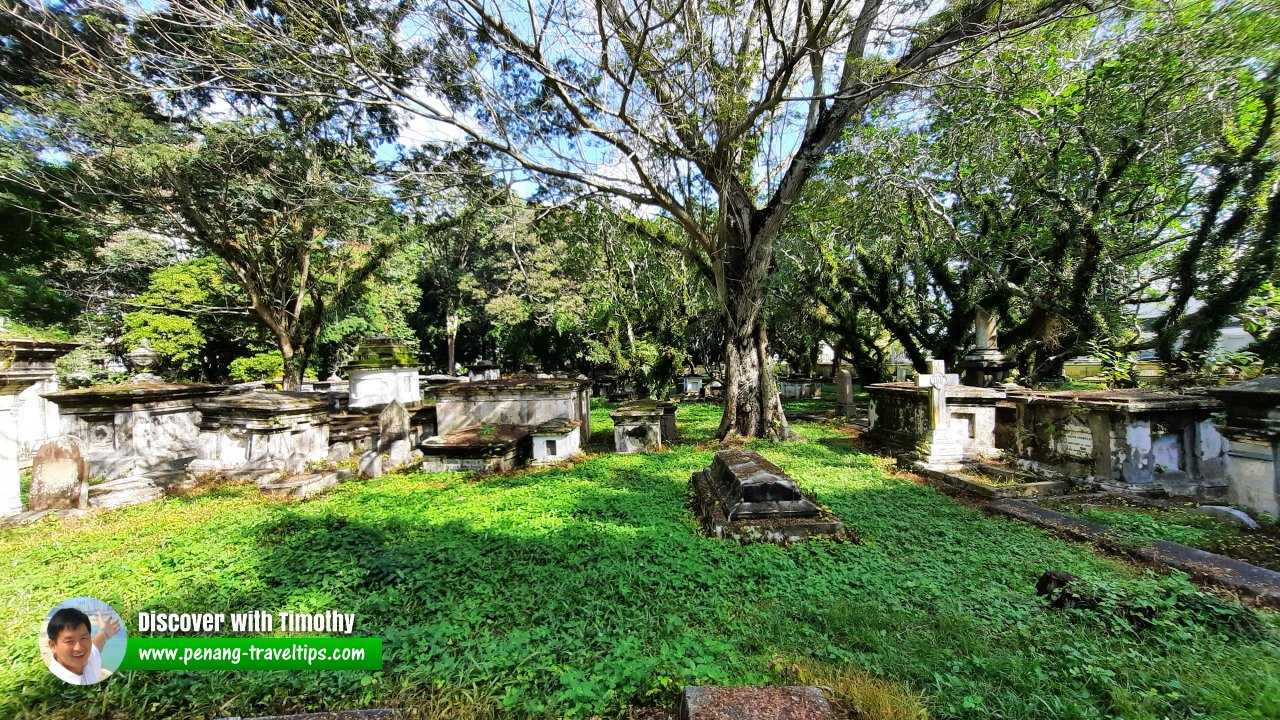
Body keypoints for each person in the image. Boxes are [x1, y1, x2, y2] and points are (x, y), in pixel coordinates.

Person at [45, 607, 120, 685]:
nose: (79, 648)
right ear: (53, 646)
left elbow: (96, 646)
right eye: (69, 641)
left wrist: (104, 632)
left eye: (83, 638)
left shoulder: (89, 658)